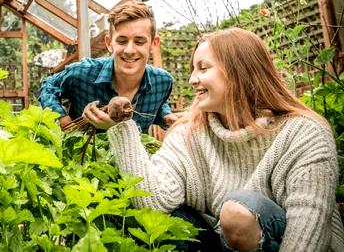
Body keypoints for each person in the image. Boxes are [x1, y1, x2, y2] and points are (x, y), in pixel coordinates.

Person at [94, 27, 344, 251]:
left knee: (240, 210)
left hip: (288, 242)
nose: (192, 79)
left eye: (203, 68)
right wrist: (122, 128)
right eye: (193, 69)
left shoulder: (303, 133)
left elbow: (309, 229)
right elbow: (154, 200)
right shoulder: (189, 134)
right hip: (222, 243)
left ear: (240, 71)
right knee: (172, 223)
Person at [38, 0, 177, 135]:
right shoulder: (82, 73)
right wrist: (63, 121)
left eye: (139, 42)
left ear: (154, 44)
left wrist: (165, 117)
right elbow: (48, 85)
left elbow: (157, 105)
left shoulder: (163, 83)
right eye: (122, 41)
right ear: (109, 43)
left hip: (134, 157)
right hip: (82, 156)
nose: (129, 50)